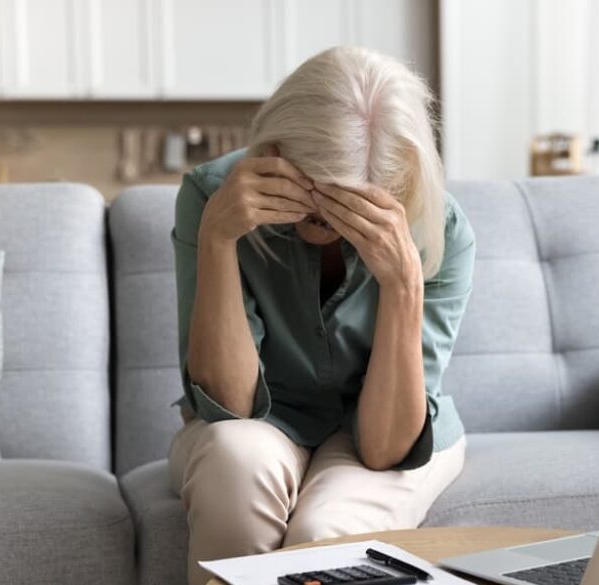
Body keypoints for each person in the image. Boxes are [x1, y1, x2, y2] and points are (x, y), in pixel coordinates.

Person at [167, 46, 475, 585]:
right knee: (234, 465)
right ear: (274, 149)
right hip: (259, 422)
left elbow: (384, 449)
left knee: (325, 537)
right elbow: (230, 407)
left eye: (355, 201)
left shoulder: (441, 228)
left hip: (383, 432)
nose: (327, 221)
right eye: (313, 197)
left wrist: (403, 285)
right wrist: (218, 238)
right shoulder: (212, 195)